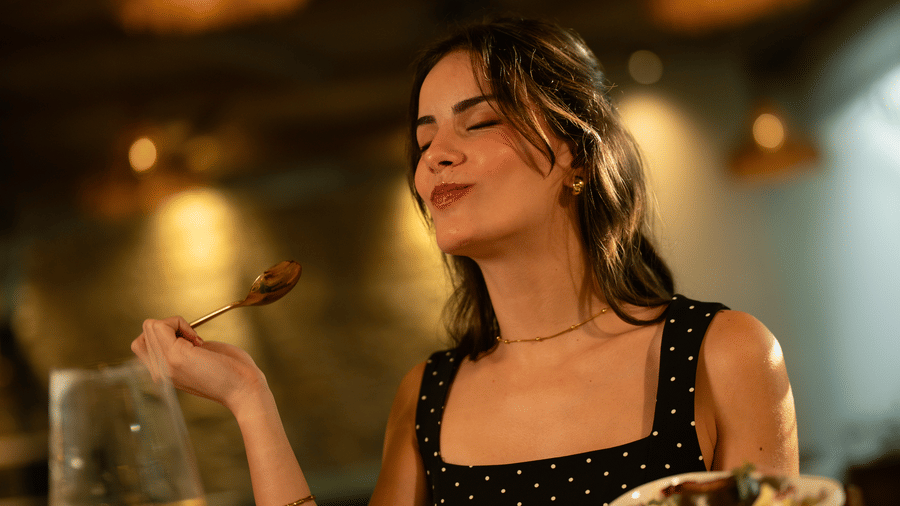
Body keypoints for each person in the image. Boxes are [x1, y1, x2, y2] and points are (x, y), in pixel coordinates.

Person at [132, 17, 799, 506]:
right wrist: (248, 400)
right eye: (424, 141)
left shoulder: (724, 353)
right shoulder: (428, 397)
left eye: (478, 123)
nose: (437, 157)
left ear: (575, 152)